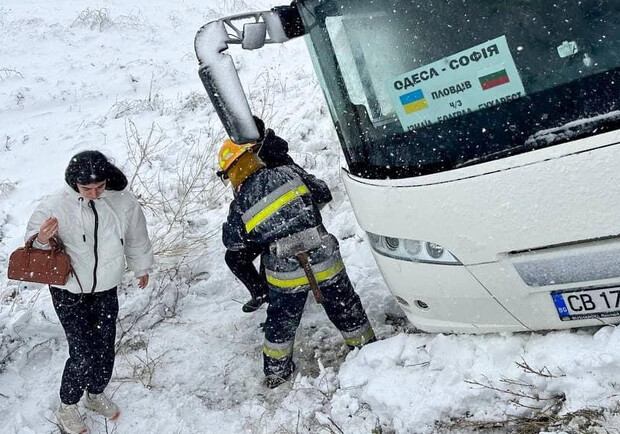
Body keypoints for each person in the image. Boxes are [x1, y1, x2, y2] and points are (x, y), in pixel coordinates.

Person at [218, 137, 375, 388]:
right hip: (324, 259)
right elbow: (322, 192)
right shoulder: (287, 172)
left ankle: (277, 372)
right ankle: (367, 350)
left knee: (281, 322)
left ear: (233, 172)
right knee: (345, 306)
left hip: (285, 273)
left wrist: (265, 234)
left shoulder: (240, 204)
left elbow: (234, 244)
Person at [25, 151, 154, 434]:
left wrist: (141, 266)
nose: (95, 193)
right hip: (69, 289)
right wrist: (42, 239)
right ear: (74, 184)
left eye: (100, 186)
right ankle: (67, 406)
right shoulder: (54, 205)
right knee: (82, 351)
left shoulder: (123, 201)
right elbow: (32, 247)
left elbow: (136, 235)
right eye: (87, 189)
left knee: (105, 346)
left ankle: (95, 394)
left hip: (106, 287)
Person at [223, 116, 299, 313]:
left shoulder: (276, 158)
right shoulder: (246, 160)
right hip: (264, 225)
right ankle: (261, 293)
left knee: (270, 254)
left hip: (284, 227)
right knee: (235, 258)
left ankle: (278, 306)